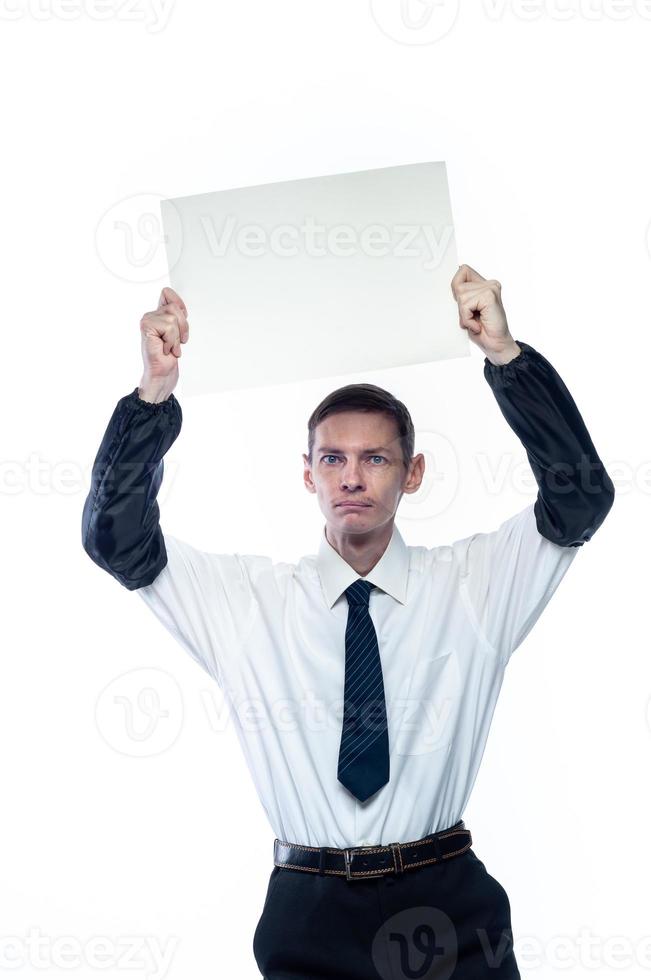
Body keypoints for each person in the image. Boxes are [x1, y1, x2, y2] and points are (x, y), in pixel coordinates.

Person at [81, 263, 614, 979]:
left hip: (447, 911)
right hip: (310, 915)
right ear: (307, 474)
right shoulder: (248, 603)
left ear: (412, 472)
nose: (352, 478)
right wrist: (152, 396)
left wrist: (504, 358)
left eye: (374, 459)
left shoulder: (473, 586)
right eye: (331, 459)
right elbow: (116, 541)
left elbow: (579, 502)